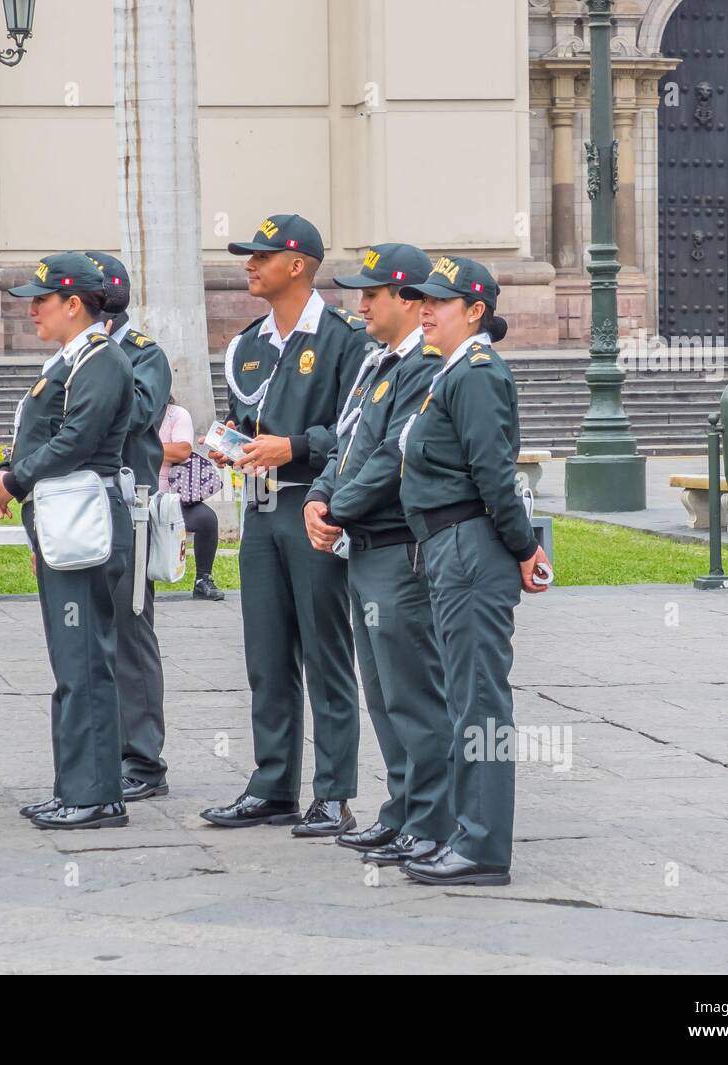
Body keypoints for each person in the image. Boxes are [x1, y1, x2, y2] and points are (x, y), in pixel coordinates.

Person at [199, 214, 371, 837]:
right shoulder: (246, 344)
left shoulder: (346, 341)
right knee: (266, 655)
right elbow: (243, 423)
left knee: (327, 652)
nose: (248, 264)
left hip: (314, 506)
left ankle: (334, 793)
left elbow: (358, 431)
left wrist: (294, 446)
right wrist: (229, 445)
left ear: (297, 265)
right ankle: (272, 785)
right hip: (260, 509)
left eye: (260, 256)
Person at [394, 255, 551, 887]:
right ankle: (465, 832)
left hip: (470, 547)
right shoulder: (453, 371)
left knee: (480, 701)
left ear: (476, 311)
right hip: (448, 544)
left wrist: (522, 549)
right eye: (423, 300)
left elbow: (493, 474)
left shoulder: (477, 374)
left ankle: (483, 848)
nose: (425, 310)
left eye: (440, 302)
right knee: (465, 697)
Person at [303, 243, 453, 868]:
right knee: (383, 693)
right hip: (363, 546)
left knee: (414, 693)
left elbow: (395, 456)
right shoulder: (377, 363)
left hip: (397, 548)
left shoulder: (423, 365)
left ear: (411, 300)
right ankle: (401, 812)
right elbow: (346, 443)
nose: (360, 302)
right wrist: (318, 495)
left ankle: (431, 821)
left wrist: (337, 508)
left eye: (373, 293)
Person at [0, 253, 135, 830]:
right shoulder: (73, 359)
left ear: (74, 305)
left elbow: (75, 439)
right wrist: (9, 472)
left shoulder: (99, 359)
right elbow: (48, 436)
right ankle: (80, 785)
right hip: (66, 520)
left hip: (83, 521)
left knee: (85, 658)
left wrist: (14, 480)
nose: (32, 310)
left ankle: (94, 794)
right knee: (73, 658)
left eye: (40, 300)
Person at [86, 250, 174, 803]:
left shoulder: (143, 354)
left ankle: (142, 759)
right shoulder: (75, 357)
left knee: (130, 627)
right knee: (91, 632)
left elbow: (137, 415)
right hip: (82, 506)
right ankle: (103, 751)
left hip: (129, 502)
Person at [158, 398, 224, 601]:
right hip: (134, 493)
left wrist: (143, 448)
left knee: (207, 519)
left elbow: (182, 451)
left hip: (173, 496)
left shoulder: (176, 414)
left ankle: (203, 579)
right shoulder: (128, 411)